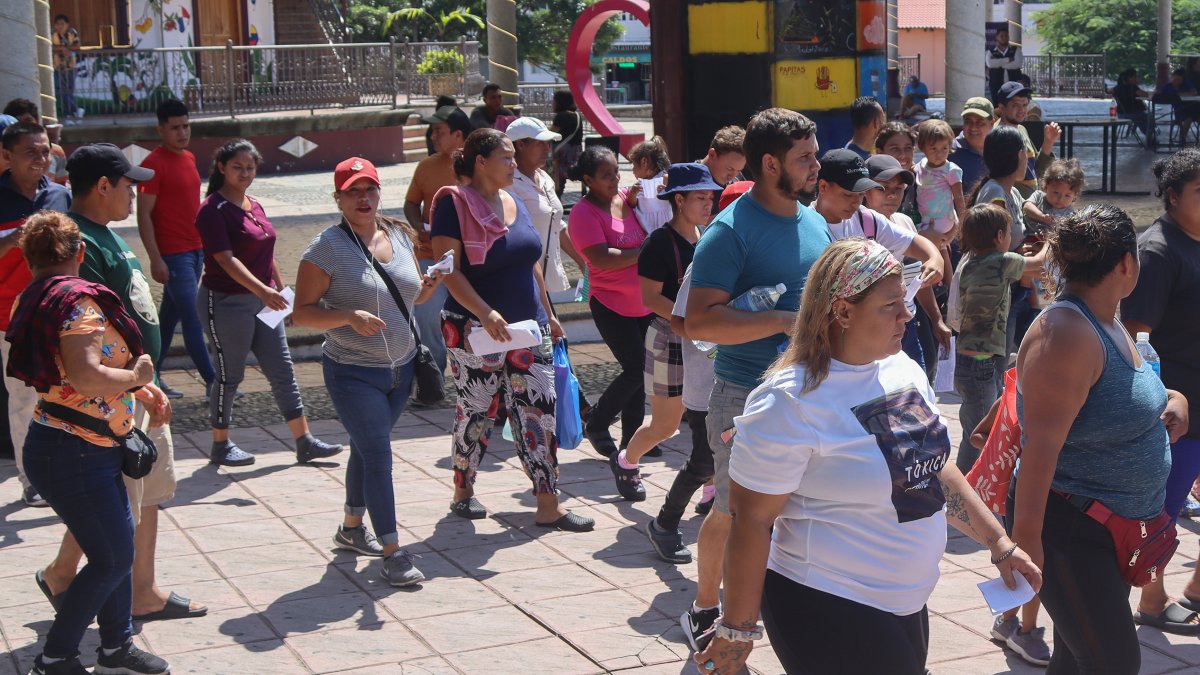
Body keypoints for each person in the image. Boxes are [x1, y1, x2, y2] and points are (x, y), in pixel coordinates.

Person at [696, 238, 1042, 675]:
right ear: (843, 311)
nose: (907, 314)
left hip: (904, 601)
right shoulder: (789, 401)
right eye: (890, 305)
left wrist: (999, 543)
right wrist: (737, 631)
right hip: (826, 599)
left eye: (905, 300)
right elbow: (751, 522)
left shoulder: (902, 368)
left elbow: (934, 468)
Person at [38, 144, 207, 630]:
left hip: (137, 385)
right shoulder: (80, 244)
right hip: (119, 393)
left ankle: (136, 590)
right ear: (103, 186)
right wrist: (133, 386)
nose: (136, 193)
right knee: (121, 498)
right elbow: (91, 333)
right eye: (129, 184)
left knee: (145, 489)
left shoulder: (106, 233)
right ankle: (95, 603)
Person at [1012, 205, 1187, 672]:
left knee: (1077, 660)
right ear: (1127, 263)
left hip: (1110, 528)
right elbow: (1039, 447)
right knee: (1113, 663)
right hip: (1072, 528)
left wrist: (1174, 400)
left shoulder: (1106, 320)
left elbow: (1119, 394)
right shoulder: (1068, 332)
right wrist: (1025, 545)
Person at [682, 107, 831, 650]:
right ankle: (705, 607)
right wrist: (779, 321)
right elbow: (698, 322)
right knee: (734, 511)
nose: (815, 166)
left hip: (809, 391)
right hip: (745, 397)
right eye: (804, 157)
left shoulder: (812, 219)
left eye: (814, 154)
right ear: (770, 164)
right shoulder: (729, 232)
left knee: (798, 511)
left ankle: (781, 605)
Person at [11, 212, 172, 675]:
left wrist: (137, 388)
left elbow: (71, 375)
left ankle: (117, 646)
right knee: (114, 557)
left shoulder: (33, 297)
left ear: (29, 258)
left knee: (115, 552)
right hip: (76, 451)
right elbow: (85, 377)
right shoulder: (78, 306)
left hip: (67, 444)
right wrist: (138, 375)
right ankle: (56, 656)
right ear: (80, 253)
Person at [430, 129, 594, 532]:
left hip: (527, 328)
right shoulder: (453, 203)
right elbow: (449, 271)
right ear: (480, 161)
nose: (513, 164)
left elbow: (530, 262)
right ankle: (463, 490)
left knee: (539, 413)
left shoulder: (514, 200)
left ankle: (548, 503)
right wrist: (485, 313)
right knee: (477, 410)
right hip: (472, 328)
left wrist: (549, 314)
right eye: (506, 157)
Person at [294, 157, 443, 587]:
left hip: (401, 370)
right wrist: (347, 316)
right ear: (338, 198)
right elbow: (302, 314)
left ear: (380, 192)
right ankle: (393, 553)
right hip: (353, 372)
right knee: (378, 454)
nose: (363, 198)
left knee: (365, 447)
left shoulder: (398, 234)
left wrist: (427, 288)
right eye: (353, 191)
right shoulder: (325, 249)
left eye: (370, 189)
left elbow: (410, 297)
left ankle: (351, 528)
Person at [196, 139, 342, 467]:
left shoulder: (255, 205)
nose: (245, 174)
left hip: (264, 301)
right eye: (238, 167)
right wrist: (263, 291)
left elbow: (266, 253)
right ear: (222, 168)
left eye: (250, 168)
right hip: (226, 303)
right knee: (229, 374)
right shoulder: (212, 210)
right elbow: (225, 260)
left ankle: (304, 441)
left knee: (282, 369)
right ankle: (220, 444)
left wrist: (281, 291)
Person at [610, 163, 720, 506]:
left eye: (710, 197)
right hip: (669, 339)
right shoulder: (658, 242)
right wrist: (688, 320)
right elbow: (650, 298)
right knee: (665, 426)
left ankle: (711, 488)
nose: (708, 204)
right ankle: (626, 461)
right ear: (679, 200)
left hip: (703, 340)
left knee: (710, 419)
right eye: (700, 198)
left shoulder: (709, 237)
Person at [1123, 149, 1200, 635]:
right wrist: (1157, 404)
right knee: (1164, 513)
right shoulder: (1157, 251)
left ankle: (1196, 590)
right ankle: (1152, 600)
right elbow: (1135, 338)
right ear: (1173, 197)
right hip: (1178, 409)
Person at [0, 121, 71, 508]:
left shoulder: (59, 195)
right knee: (24, 401)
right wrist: (14, 239)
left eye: (45, 151)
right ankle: (32, 480)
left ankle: (65, 470)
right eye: (31, 152)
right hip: (10, 319)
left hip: (60, 314)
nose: (41, 159)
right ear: (6, 156)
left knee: (67, 395)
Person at [567, 146, 652, 458]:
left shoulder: (626, 199)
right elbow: (602, 258)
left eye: (617, 171)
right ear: (588, 180)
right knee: (637, 367)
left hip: (643, 302)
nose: (615, 178)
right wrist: (645, 252)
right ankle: (597, 422)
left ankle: (632, 441)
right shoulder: (582, 213)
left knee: (643, 371)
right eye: (606, 175)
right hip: (610, 303)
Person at [952, 204, 1045, 475]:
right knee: (978, 435)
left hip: (968, 362)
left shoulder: (971, 264)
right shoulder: (1000, 261)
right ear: (1000, 235)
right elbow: (1040, 265)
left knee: (973, 428)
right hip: (980, 365)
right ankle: (966, 488)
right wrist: (1050, 241)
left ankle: (968, 487)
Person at [136, 99, 213, 398]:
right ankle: (214, 382)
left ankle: (152, 375)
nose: (182, 133)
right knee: (193, 317)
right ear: (160, 130)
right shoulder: (152, 165)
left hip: (196, 251)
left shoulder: (189, 157)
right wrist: (155, 258)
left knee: (168, 319)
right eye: (175, 128)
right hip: (173, 256)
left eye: (186, 126)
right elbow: (144, 215)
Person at [864, 154, 951, 378]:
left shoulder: (904, 222)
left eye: (899, 188)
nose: (892, 195)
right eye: (883, 188)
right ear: (865, 189)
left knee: (921, 376)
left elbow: (918, 278)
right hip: (872, 328)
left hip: (907, 322)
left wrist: (936, 319)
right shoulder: (855, 227)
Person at [404, 104, 471, 381]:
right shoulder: (426, 166)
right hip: (429, 257)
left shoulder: (478, 166)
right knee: (428, 320)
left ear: (458, 135)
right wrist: (417, 226)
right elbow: (411, 203)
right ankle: (433, 382)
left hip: (468, 261)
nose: (433, 136)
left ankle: (473, 380)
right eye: (432, 131)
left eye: (439, 131)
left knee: (469, 321)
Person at [812, 149, 943, 283]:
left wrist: (936, 259)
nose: (856, 202)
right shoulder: (804, 225)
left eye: (860, 194)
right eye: (848, 194)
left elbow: (914, 243)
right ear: (823, 186)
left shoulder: (866, 219)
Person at [504, 116, 577, 295]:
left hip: (548, 278)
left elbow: (557, 225)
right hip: (521, 283)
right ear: (520, 145)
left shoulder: (545, 178)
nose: (547, 148)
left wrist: (583, 263)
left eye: (548, 143)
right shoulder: (507, 184)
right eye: (541, 143)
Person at [994, 80, 1061, 200]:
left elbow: (1037, 171)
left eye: (1024, 105)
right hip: (1011, 204)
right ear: (1002, 107)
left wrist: (1048, 142)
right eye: (1015, 105)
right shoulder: (997, 135)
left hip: (1029, 205)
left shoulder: (1022, 129)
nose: (1021, 110)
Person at [914, 119, 966, 238]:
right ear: (922, 147)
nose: (939, 154)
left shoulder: (951, 170)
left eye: (944, 148)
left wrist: (962, 223)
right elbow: (914, 168)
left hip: (942, 220)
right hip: (925, 218)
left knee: (923, 239)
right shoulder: (922, 164)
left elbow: (959, 199)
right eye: (933, 149)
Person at [3, 98, 68, 184]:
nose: (41, 159)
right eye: (18, 122)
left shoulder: (57, 152)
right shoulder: (5, 154)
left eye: (28, 121)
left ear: (37, 122)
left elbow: (62, 185)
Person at [949, 97, 996, 192]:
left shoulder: (1001, 149)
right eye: (968, 121)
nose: (973, 128)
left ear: (992, 123)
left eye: (980, 122)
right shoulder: (949, 151)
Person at [627, 136, 673, 233]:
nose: (632, 170)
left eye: (634, 165)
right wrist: (633, 193)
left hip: (667, 225)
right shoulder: (640, 185)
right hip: (647, 229)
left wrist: (666, 191)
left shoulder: (665, 179)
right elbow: (632, 204)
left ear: (644, 162)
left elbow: (676, 199)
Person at [1022, 158, 1084, 228]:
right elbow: (1026, 207)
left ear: (1075, 196)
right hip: (1028, 233)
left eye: (1067, 195)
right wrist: (1042, 216)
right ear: (1046, 187)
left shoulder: (1070, 214)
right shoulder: (1039, 196)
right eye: (1056, 193)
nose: (1060, 199)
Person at [550, 90, 583, 196]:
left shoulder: (561, 116)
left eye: (554, 101)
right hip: (576, 155)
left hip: (562, 155)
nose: (552, 103)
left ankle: (556, 192)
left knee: (547, 163)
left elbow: (550, 134)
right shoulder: (577, 116)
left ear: (559, 102)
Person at [1157, 69, 1200, 146]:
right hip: (1179, 110)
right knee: (1188, 119)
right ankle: (1182, 139)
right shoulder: (1167, 87)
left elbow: (1194, 92)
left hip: (1191, 108)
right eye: (1174, 79)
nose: (1175, 81)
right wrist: (1182, 94)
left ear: (1183, 79)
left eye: (1178, 80)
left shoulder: (1186, 84)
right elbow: (1159, 93)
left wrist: (1181, 93)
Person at [52, 14, 80, 122]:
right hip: (56, 66)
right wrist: (62, 48)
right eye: (58, 24)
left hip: (70, 66)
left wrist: (66, 48)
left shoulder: (72, 33)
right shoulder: (52, 33)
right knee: (59, 90)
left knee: (69, 90)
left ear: (67, 24)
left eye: (62, 24)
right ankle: (72, 111)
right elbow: (49, 46)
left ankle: (71, 112)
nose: (60, 26)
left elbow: (77, 46)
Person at [987, 27, 1023, 102]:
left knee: (1014, 103)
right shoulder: (991, 52)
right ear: (997, 37)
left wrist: (998, 64)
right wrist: (1008, 60)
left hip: (1014, 84)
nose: (1004, 38)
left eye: (1006, 36)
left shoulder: (1016, 50)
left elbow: (1018, 64)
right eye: (1002, 36)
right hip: (995, 84)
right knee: (997, 104)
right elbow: (990, 64)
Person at [1112, 68, 1151, 137]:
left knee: (1145, 116)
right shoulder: (1132, 87)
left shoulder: (1117, 88)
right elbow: (1145, 94)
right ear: (1130, 78)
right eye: (1135, 77)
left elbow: (1109, 91)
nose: (1137, 79)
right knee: (1148, 117)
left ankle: (1150, 135)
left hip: (1121, 114)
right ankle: (1150, 136)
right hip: (1132, 114)